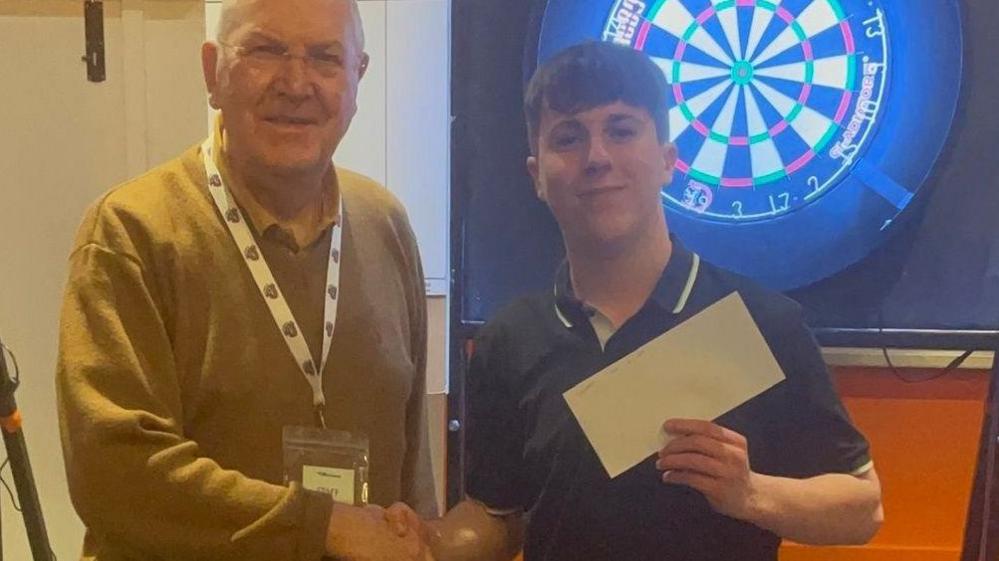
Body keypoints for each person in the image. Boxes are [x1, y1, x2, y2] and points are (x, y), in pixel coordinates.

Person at [393, 41, 883, 561]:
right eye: (569, 138)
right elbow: (497, 515)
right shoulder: (508, 342)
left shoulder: (759, 322)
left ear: (667, 160)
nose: (597, 158)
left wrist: (751, 493)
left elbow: (862, 508)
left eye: (621, 130)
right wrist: (432, 544)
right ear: (537, 175)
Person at [55, 0, 437, 559]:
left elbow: (411, 469)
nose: (296, 82)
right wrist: (321, 525)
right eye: (266, 51)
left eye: (326, 58)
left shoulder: (385, 224)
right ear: (213, 72)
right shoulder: (131, 232)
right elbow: (115, 472)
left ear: (358, 77)